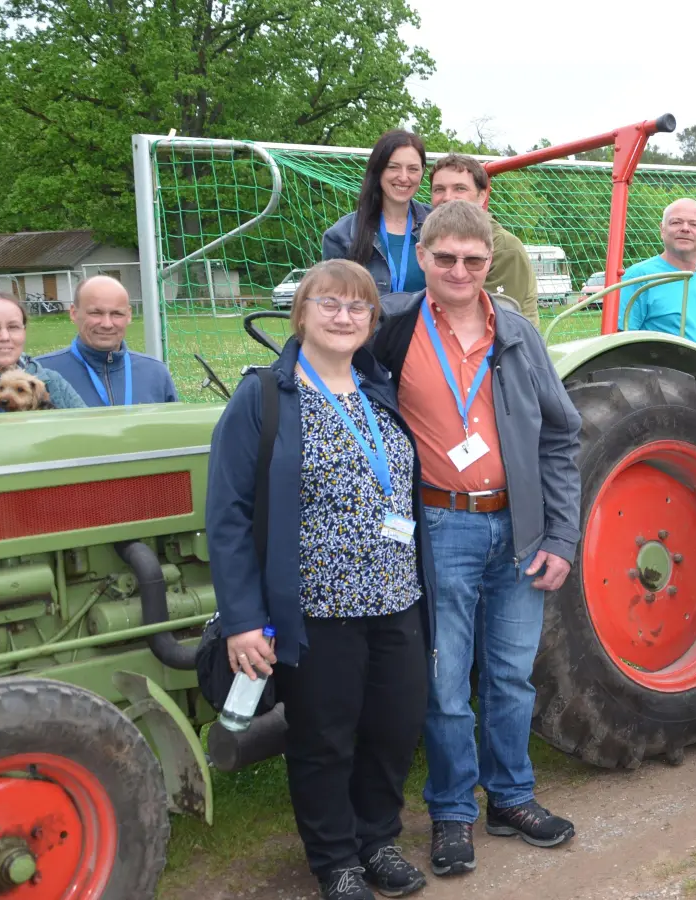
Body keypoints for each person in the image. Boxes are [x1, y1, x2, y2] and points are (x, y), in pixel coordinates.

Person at [205, 260, 435, 900]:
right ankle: (336, 861)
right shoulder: (263, 398)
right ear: (301, 313)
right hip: (316, 607)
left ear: (370, 322)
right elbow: (227, 515)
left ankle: (378, 841)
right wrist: (244, 618)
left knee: (391, 728)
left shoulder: (378, 391)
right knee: (325, 739)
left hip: (396, 599)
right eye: (328, 304)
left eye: (357, 307)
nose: (343, 316)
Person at [368, 199, 583, 876]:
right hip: (436, 526)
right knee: (446, 682)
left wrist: (562, 535)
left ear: (490, 262)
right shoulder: (392, 328)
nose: (459, 270)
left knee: (513, 677)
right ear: (424, 257)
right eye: (445, 258)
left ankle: (512, 797)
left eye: (473, 259)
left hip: (517, 528)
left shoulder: (516, 331)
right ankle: (453, 811)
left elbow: (561, 432)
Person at [428, 154, 540, 328]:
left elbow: (489, 324)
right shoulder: (432, 240)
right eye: (439, 189)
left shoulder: (504, 248)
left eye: (459, 188)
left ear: (482, 196)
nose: (447, 197)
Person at [33, 275, 179, 406]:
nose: (107, 324)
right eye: (96, 313)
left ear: (128, 316)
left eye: (117, 314)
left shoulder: (155, 372)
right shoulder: (41, 374)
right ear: (74, 313)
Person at [323, 130, 433, 298]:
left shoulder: (438, 225)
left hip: (426, 324)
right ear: (378, 170)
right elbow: (333, 301)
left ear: (422, 172)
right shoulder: (342, 235)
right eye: (393, 167)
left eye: (413, 169)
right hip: (369, 324)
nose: (404, 177)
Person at [618, 198, 696, 357]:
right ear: (662, 230)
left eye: (694, 224)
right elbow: (618, 343)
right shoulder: (638, 277)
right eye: (676, 222)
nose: (685, 228)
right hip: (662, 380)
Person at [0, 292, 84, 412]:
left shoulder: (53, 381)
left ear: (24, 332)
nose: (5, 337)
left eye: (13, 327)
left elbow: (89, 426)